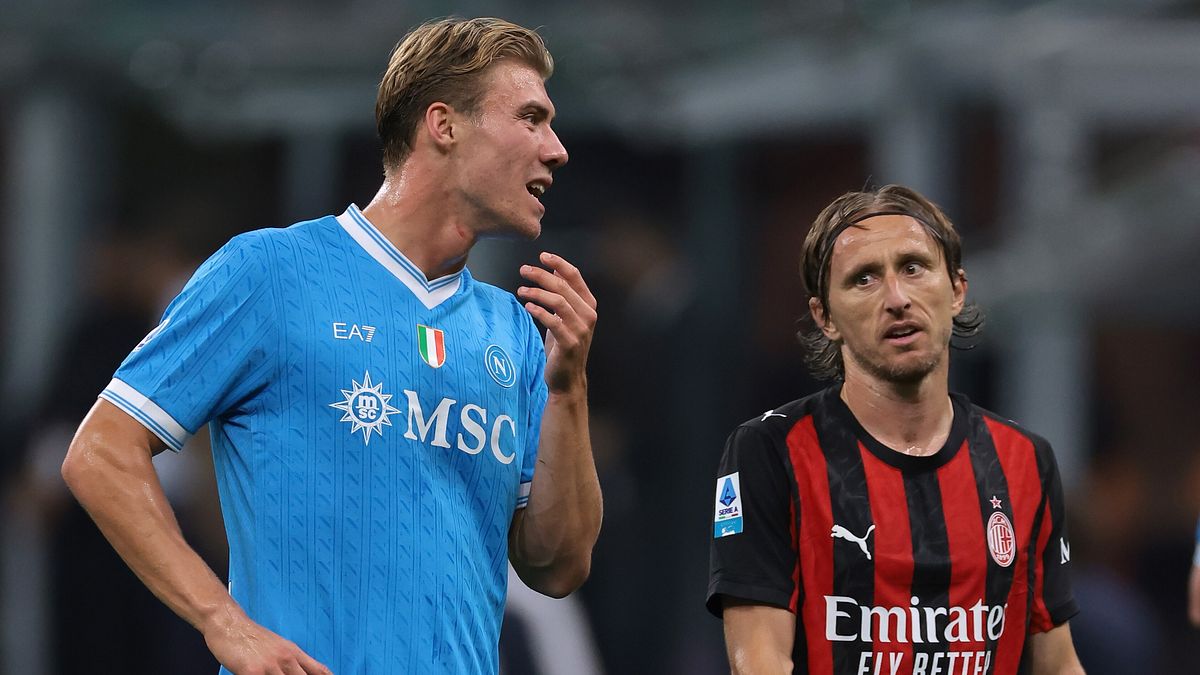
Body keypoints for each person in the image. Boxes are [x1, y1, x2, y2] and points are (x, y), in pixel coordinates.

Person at [61, 16, 602, 674]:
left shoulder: (511, 330)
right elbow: (101, 452)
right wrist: (221, 620)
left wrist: (568, 389)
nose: (557, 150)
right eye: (531, 118)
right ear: (444, 124)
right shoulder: (269, 272)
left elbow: (556, 566)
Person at [707, 185, 1085, 674]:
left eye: (913, 267)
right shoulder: (770, 452)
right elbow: (760, 661)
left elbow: (1058, 663)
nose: (897, 298)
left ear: (957, 290)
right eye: (863, 279)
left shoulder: (1025, 459)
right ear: (825, 317)